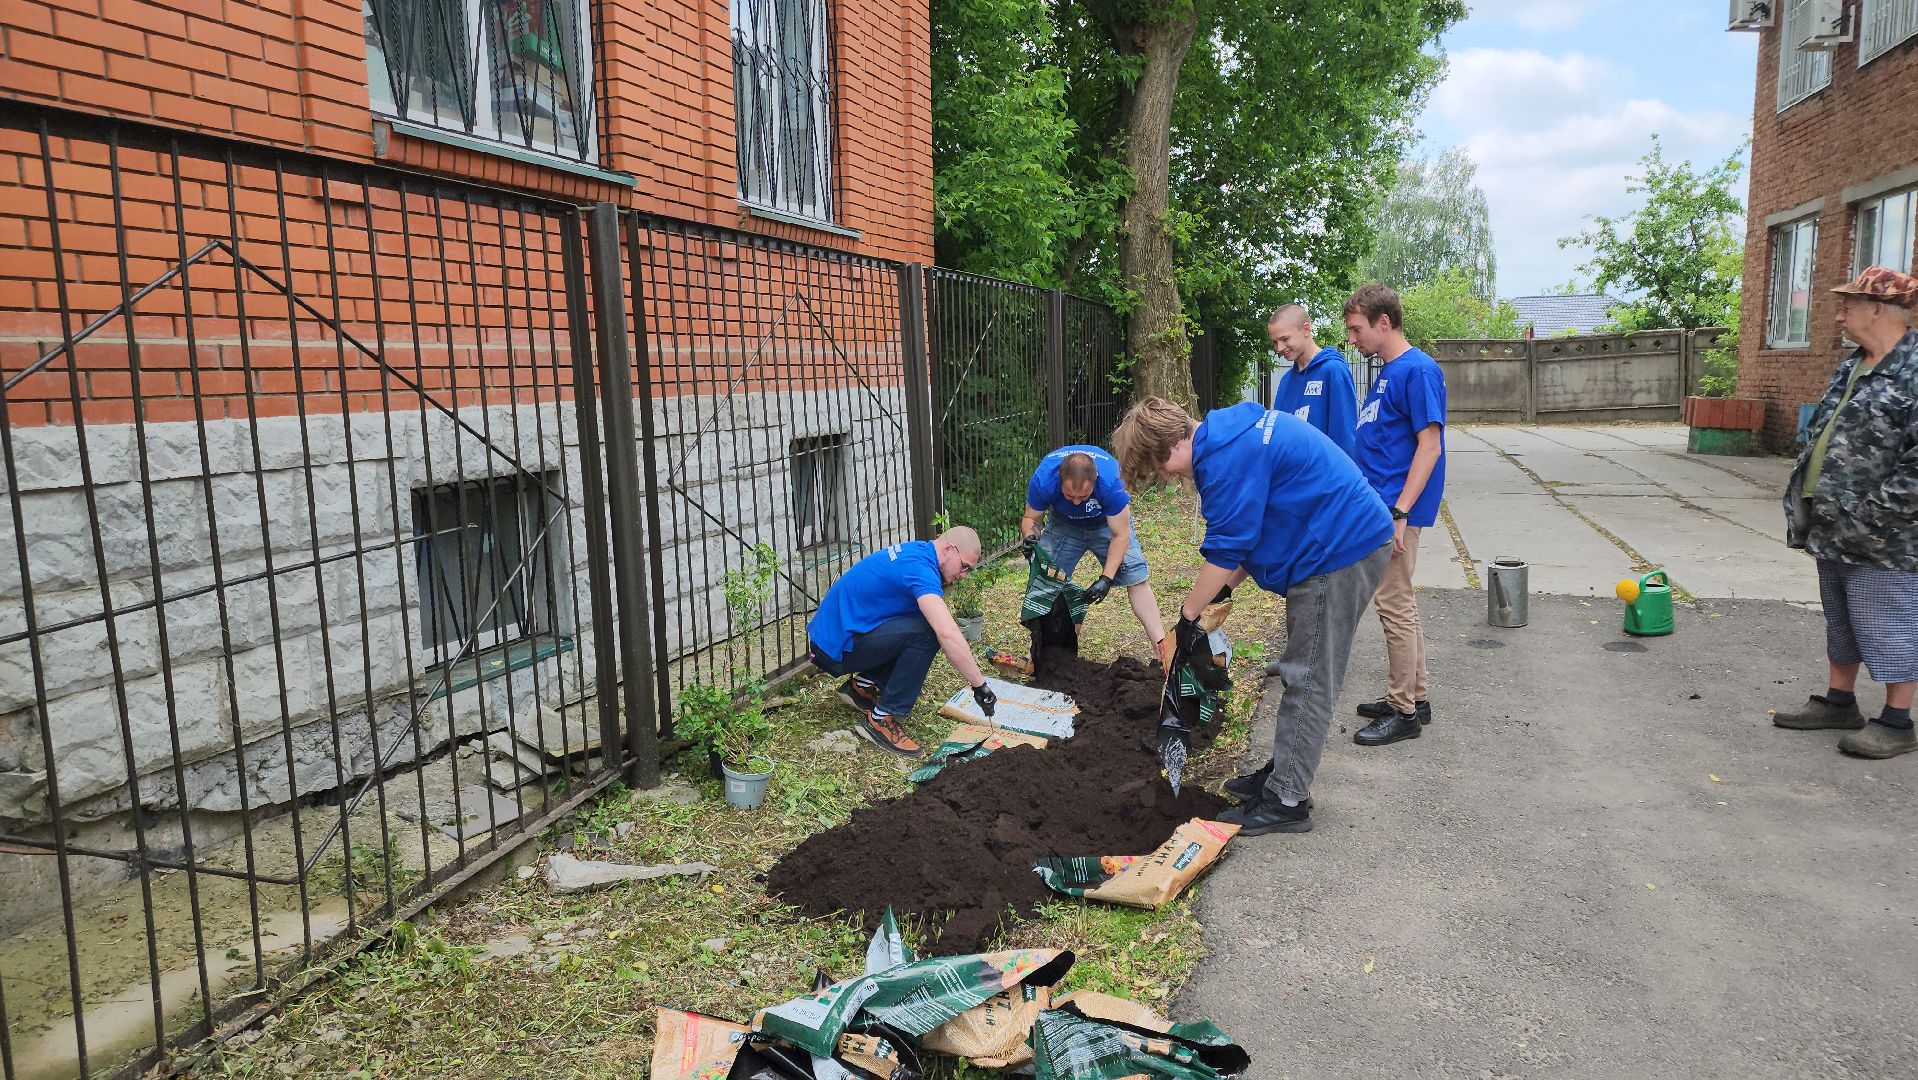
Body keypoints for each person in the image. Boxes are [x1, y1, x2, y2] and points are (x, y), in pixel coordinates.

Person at [1111, 396, 1394, 835]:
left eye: (1158, 466)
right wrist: (1220, 590)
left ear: (1173, 443)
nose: (1164, 477)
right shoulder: (1228, 438)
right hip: (1331, 545)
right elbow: (1248, 536)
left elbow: (1227, 547)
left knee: (1309, 676)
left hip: (1339, 550)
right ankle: (1286, 770)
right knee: (1303, 668)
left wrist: (1188, 617)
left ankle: (1287, 799)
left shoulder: (1227, 458)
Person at [1774, 265, 1918, 758]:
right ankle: (1840, 702)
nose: (1839, 313)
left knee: (1888, 621)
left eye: (1848, 304)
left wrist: (1874, 514)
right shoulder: (1853, 364)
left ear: (1878, 308)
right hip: (1832, 521)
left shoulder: (1914, 368)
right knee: (1842, 618)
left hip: (1887, 532)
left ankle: (1898, 723)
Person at [1343, 283, 1448, 748]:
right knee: (1400, 601)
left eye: (1357, 329)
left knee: (1393, 605)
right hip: (1381, 505)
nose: (1353, 339)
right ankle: (1414, 698)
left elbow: (1430, 445)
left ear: (1383, 322)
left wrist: (1401, 510)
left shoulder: (1418, 370)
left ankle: (1403, 710)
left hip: (1394, 510)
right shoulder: (1388, 372)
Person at [807, 528, 998, 755]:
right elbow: (947, 634)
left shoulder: (919, 552)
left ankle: (862, 687)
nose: (964, 574)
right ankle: (880, 719)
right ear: (949, 549)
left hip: (838, 636)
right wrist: (979, 685)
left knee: (923, 617)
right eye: (964, 566)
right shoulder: (921, 571)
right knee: (929, 631)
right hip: (834, 648)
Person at [1019, 445, 1167, 652]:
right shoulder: (1044, 479)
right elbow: (1030, 519)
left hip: (1107, 525)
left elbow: (1121, 535)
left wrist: (1106, 578)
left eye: (1084, 496)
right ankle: (1045, 653)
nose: (1078, 502)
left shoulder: (1112, 482)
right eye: (1070, 496)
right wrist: (1030, 537)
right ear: (1060, 480)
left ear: (1096, 480)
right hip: (1064, 525)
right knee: (1046, 581)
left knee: (1137, 579)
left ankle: (1164, 652)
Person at [1268, 303, 1358, 458]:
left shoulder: (1333, 370)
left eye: (1284, 339)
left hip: (1325, 478)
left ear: (1306, 329)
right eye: (1275, 342)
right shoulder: (1286, 381)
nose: (1279, 348)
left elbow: (1345, 438)